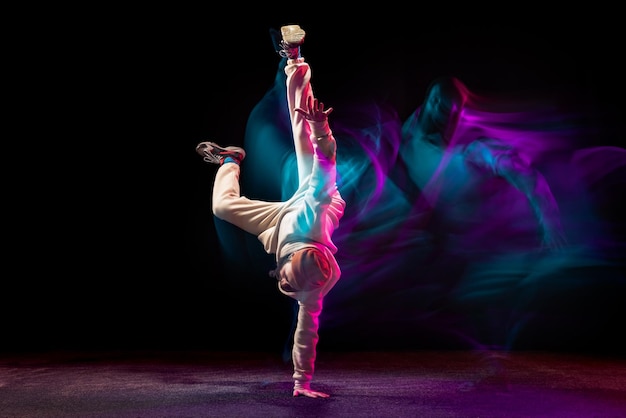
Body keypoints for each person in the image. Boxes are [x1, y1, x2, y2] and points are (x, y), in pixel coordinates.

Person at [195, 24, 345, 398]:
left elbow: (304, 333)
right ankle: (295, 59)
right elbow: (326, 170)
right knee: (303, 127)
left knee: (222, 206)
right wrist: (322, 129)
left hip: (281, 227)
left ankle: (230, 159)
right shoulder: (314, 226)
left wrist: (300, 384)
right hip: (317, 200)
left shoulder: (306, 289)